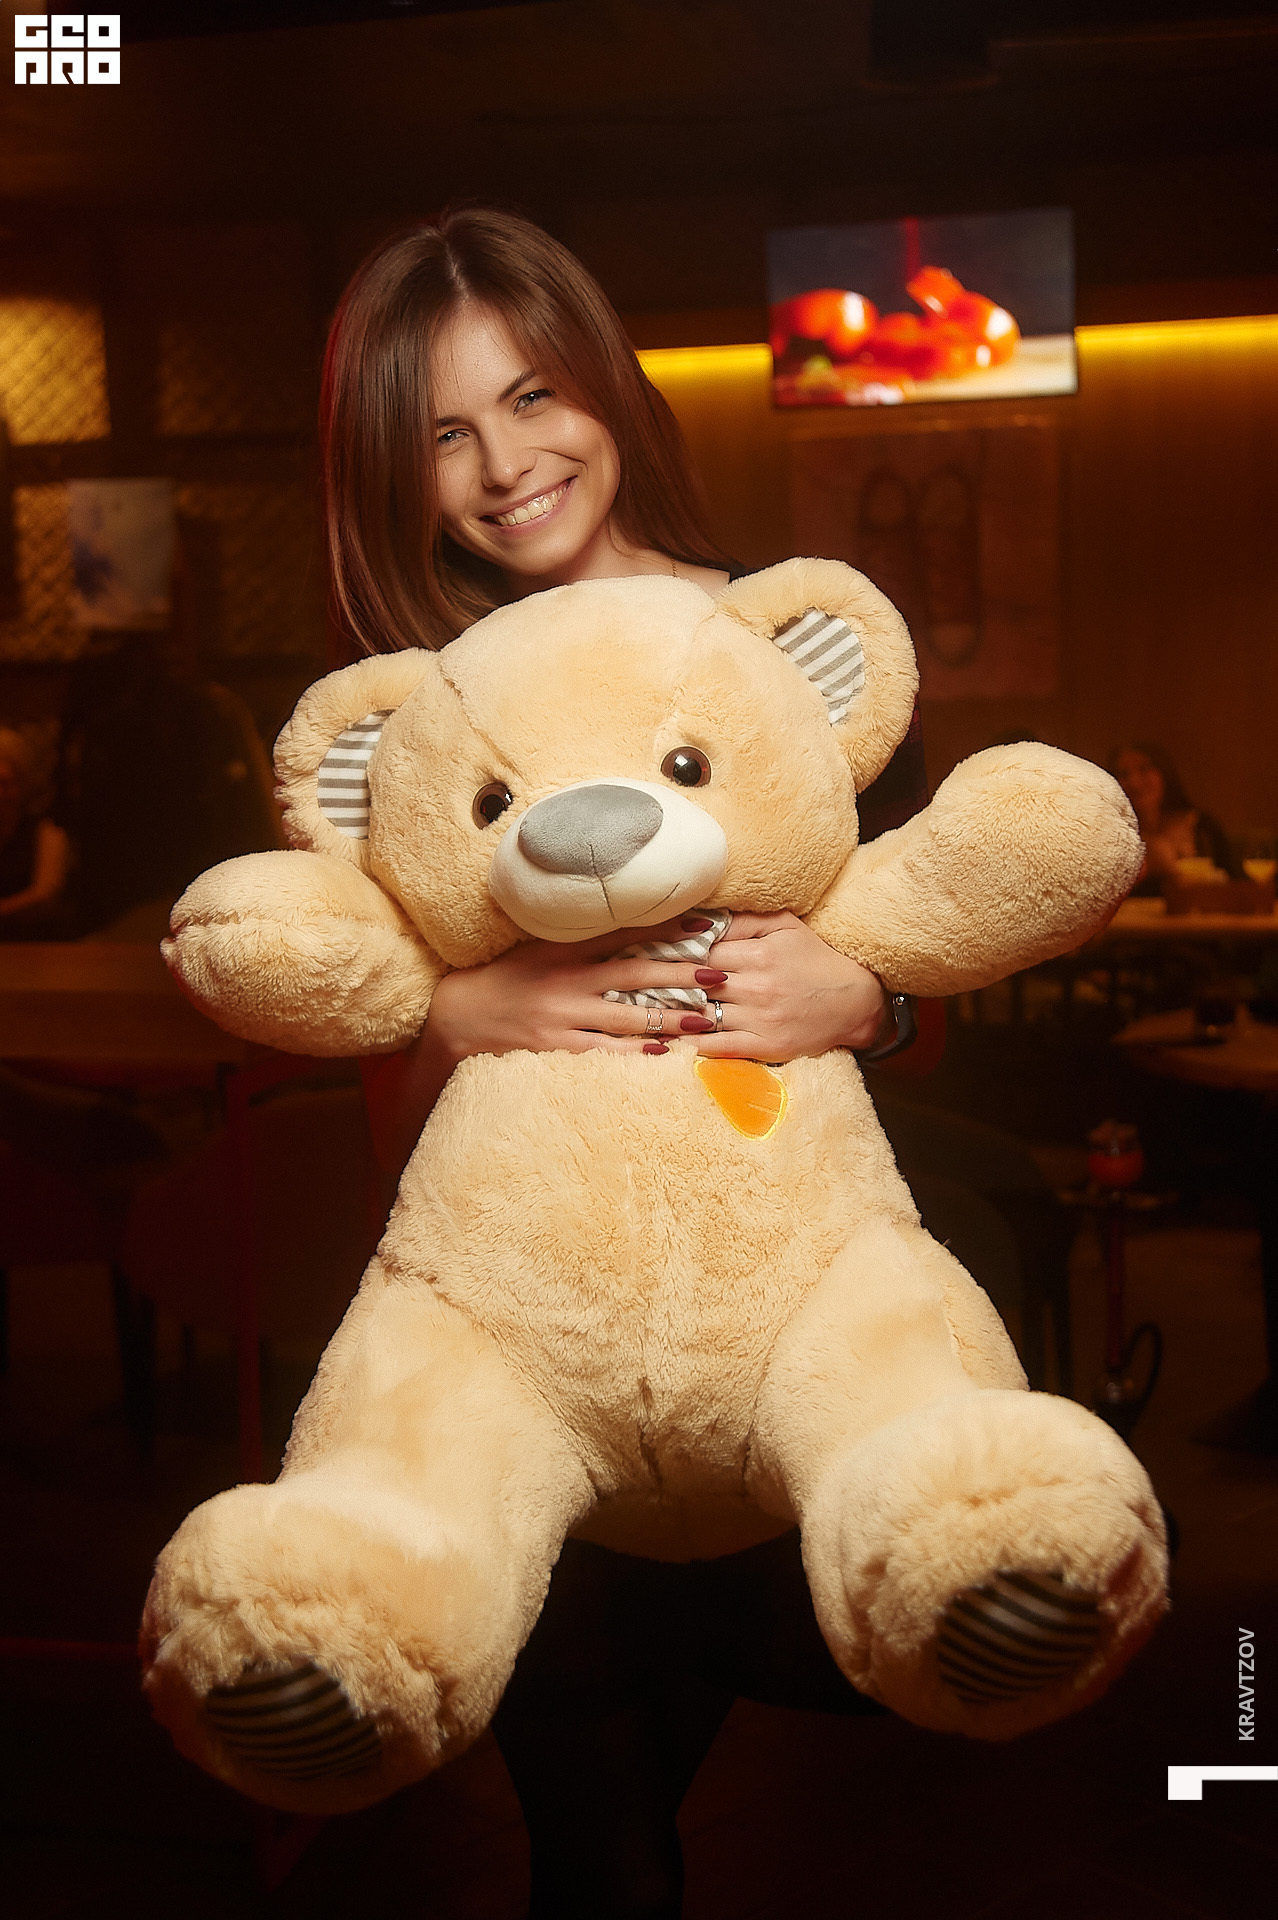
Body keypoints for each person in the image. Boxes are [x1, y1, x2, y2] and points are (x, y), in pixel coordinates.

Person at [321, 207, 928, 1918]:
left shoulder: (779, 649)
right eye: (444, 432)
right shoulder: (411, 718)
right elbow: (372, 1090)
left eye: (532, 396)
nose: (505, 463)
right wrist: (449, 1015)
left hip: (776, 1312)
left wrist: (865, 993)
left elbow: (931, 945)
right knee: (600, 1856)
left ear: (606, 386)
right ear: (392, 470)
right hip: (535, 1344)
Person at [1111, 740, 1236, 895]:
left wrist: (1176, 871)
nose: (1134, 782)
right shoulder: (1114, 834)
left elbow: (1237, 882)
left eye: (1144, 769)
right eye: (1124, 774)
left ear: (1165, 773)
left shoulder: (1202, 826)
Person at [0, 726, 72, 940]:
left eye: (5, 783)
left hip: (38, 942)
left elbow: (45, 893)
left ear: (21, 784)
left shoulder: (45, 831)